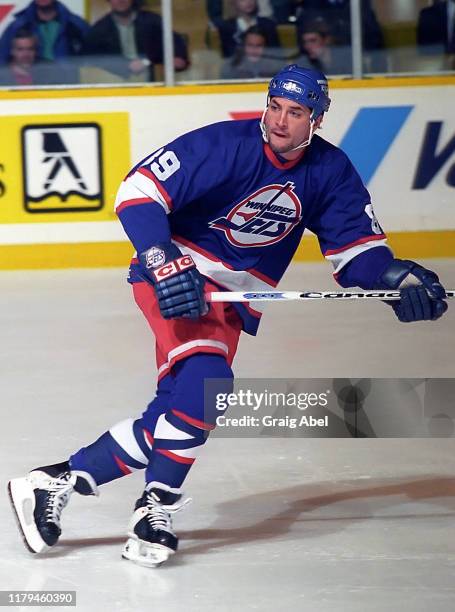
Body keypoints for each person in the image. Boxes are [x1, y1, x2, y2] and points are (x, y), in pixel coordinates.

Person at [8, 64, 448, 568]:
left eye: (296, 112)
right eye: (275, 106)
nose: (280, 121)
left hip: (232, 301)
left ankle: (56, 480)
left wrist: (394, 281)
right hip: (179, 281)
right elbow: (137, 193)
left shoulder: (330, 171)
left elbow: (356, 256)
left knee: (180, 409)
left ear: (317, 120)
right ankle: (154, 508)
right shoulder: (223, 144)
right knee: (206, 384)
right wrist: (161, 261)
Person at [82, 0, 189, 82]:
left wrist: (178, 58)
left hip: (151, 83)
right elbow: (91, 59)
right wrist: (124, 66)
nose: (120, 0)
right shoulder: (99, 30)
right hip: (114, 85)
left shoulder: (152, 21)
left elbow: (174, 43)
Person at [0, 0, 88, 64]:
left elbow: (95, 59)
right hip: (31, 86)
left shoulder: (75, 24)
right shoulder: (17, 26)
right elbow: (2, 59)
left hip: (68, 86)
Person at [216, 0, 280, 58]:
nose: (248, 2)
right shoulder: (226, 28)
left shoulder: (268, 24)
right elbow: (228, 55)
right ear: (234, 2)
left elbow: (276, 53)